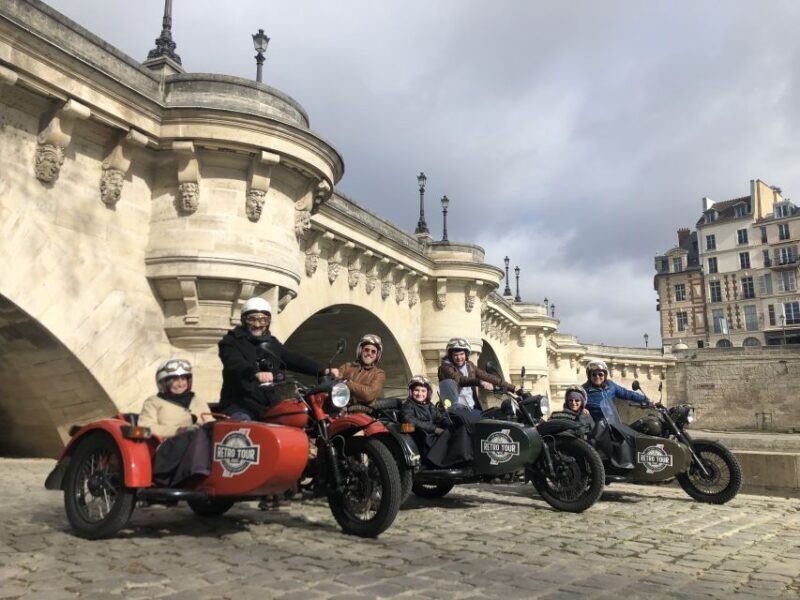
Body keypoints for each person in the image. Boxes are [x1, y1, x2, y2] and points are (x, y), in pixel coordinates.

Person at [218, 297, 339, 420]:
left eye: (263, 320)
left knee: (299, 420)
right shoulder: (231, 341)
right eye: (252, 319)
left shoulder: (272, 343)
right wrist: (254, 373)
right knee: (244, 426)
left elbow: (294, 359)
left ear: (268, 321)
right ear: (244, 320)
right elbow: (235, 363)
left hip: (269, 404)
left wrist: (323, 370)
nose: (257, 324)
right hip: (241, 404)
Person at [139, 358, 215, 487]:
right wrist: (178, 430)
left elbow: (210, 423)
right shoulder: (153, 401)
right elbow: (146, 427)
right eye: (175, 379)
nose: (180, 384)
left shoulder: (198, 400)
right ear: (164, 382)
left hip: (197, 443)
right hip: (168, 447)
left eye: (184, 379)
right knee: (192, 433)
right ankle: (169, 478)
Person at [400, 375, 472, 468]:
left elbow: (440, 417)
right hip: (423, 438)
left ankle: (466, 457)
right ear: (411, 391)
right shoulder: (407, 406)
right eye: (416, 390)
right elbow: (409, 420)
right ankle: (449, 461)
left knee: (461, 427)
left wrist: (450, 423)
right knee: (448, 434)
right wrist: (435, 429)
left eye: (423, 391)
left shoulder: (429, 405)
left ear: (428, 393)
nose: (420, 394)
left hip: (432, 435)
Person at [437, 337, 520, 413]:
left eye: (461, 354)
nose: (459, 358)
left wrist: (513, 388)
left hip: (471, 407)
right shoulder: (445, 368)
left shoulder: (470, 366)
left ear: (466, 354)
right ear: (451, 356)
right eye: (456, 355)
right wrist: (480, 382)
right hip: (453, 410)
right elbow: (460, 380)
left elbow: (487, 377)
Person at [582, 360, 648, 425]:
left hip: (613, 422)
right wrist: (582, 409)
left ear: (605, 376)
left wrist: (644, 399)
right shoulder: (584, 390)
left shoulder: (610, 385)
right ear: (589, 376)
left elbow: (626, 393)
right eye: (594, 374)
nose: (597, 377)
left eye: (600, 374)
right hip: (595, 425)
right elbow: (575, 402)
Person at [338, 334, 386, 405]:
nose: (369, 353)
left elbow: (368, 394)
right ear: (360, 350)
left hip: (363, 412)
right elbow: (333, 381)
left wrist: (347, 384)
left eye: (373, 351)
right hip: (340, 407)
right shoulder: (347, 367)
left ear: (377, 355)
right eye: (366, 350)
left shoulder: (379, 373)